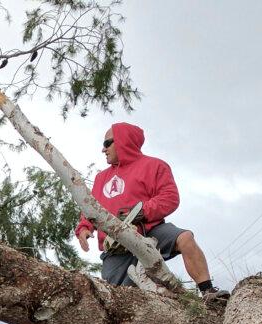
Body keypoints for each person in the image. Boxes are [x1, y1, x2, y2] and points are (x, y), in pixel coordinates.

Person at [75, 122, 228, 298]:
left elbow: (170, 197)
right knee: (117, 298)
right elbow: (90, 209)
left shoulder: (155, 166)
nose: (103, 149)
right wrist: (84, 227)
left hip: (150, 232)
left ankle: (208, 292)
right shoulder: (101, 178)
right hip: (116, 247)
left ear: (123, 141)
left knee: (185, 238)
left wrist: (142, 212)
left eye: (107, 143)